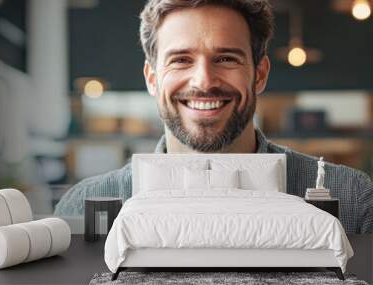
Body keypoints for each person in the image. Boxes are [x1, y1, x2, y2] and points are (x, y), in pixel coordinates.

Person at [55, 0, 373, 234]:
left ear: (259, 75)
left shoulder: (351, 200)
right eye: (181, 60)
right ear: (152, 79)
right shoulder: (84, 206)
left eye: (225, 58)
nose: (204, 81)